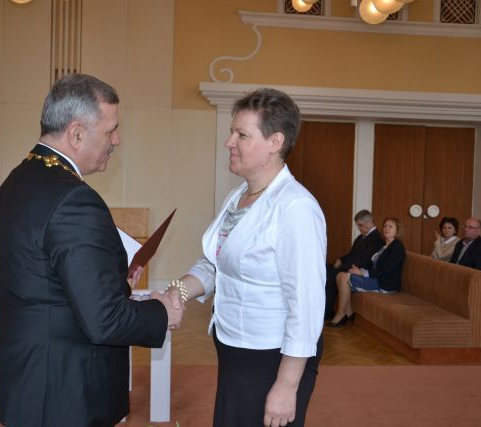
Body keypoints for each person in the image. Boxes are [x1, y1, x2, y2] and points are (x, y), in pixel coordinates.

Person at [0, 74, 183, 427]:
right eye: (111, 130)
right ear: (77, 133)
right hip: (63, 390)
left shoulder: (17, 181)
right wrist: (162, 312)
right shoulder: (74, 200)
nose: (116, 140)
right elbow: (103, 320)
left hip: (26, 378)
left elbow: (43, 278)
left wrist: (113, 279)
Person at [163, 88, 326, 427]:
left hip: (273, 356)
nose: (229, 142)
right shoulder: (239, 196)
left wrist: (286, 386)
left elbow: (307, 305)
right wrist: (177, 291)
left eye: (242, 134)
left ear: (275, 142)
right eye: (231, 132)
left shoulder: (295, 207)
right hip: (235, 346)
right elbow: (215, 263)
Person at [329, 217, 406, 327]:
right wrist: (359, 270)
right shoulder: (385, 246)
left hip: (385, 284)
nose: (386, 229)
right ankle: (348, 312)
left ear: (397, 230)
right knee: (340, 275)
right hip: (375, 278)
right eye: (385, 226)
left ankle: (341, 314)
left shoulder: (397, 247)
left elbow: (384, 270)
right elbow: (372, 266)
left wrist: (363, 274)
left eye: (390, 227)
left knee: (343, 277)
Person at [324, 209, 384, 320]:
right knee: (325, 268)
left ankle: (328, 311)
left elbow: (364, 261)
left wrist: (342, 266)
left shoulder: (376, 239)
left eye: (360, 225)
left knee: (332, 273)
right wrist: (340, 259)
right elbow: (351, 255)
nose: (359, 228)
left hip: (359, 269)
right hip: (351, 265)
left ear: (369, 223)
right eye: (358, 226)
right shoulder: (361, 237)